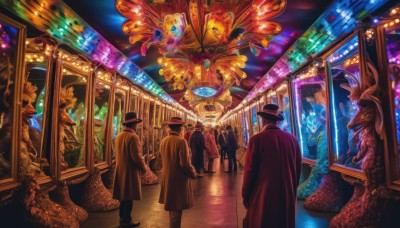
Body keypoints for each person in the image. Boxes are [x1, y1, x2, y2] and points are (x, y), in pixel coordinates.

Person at [242, 104, 302, 228]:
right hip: (287, 192)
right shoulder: (292, 139)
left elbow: (249, 172)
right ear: (277, 122)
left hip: (264, 194)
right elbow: (297, 169)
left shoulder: (256, 140)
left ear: (263, 120)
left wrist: (246, 195)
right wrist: (291, 189)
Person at [159, 117, 197, 228]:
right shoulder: (181, 141)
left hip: (167, 177)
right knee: (177, 208)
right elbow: (184, 163)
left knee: (172, 207)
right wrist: (193, 173)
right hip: (178, 179)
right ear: (180, 128)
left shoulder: (164, 141)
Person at [113, 112, 147, 227]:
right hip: (130, 171)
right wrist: (144, 168)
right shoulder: (133, 137)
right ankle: (127, 220)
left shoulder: (119, 136)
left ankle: (122, 216)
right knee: (129, 196)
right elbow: (136, 156)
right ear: (134, 124)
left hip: (120, 169)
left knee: (123, 195)